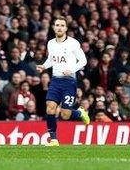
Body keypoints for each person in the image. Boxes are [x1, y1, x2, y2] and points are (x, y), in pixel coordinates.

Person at [36, 17, 90, 146]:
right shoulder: (51, 43)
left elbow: (83, 61)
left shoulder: (73, 43)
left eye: (62, 25)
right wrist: (44, 66)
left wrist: (71, 70)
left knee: (65, 115)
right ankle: (54, 139)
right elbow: (51, 59)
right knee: (50, 108)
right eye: (57, 25)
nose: (59, 27)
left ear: (66, 28)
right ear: (54, 27)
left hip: (69, 82)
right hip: (55, 80)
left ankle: (80, 113)